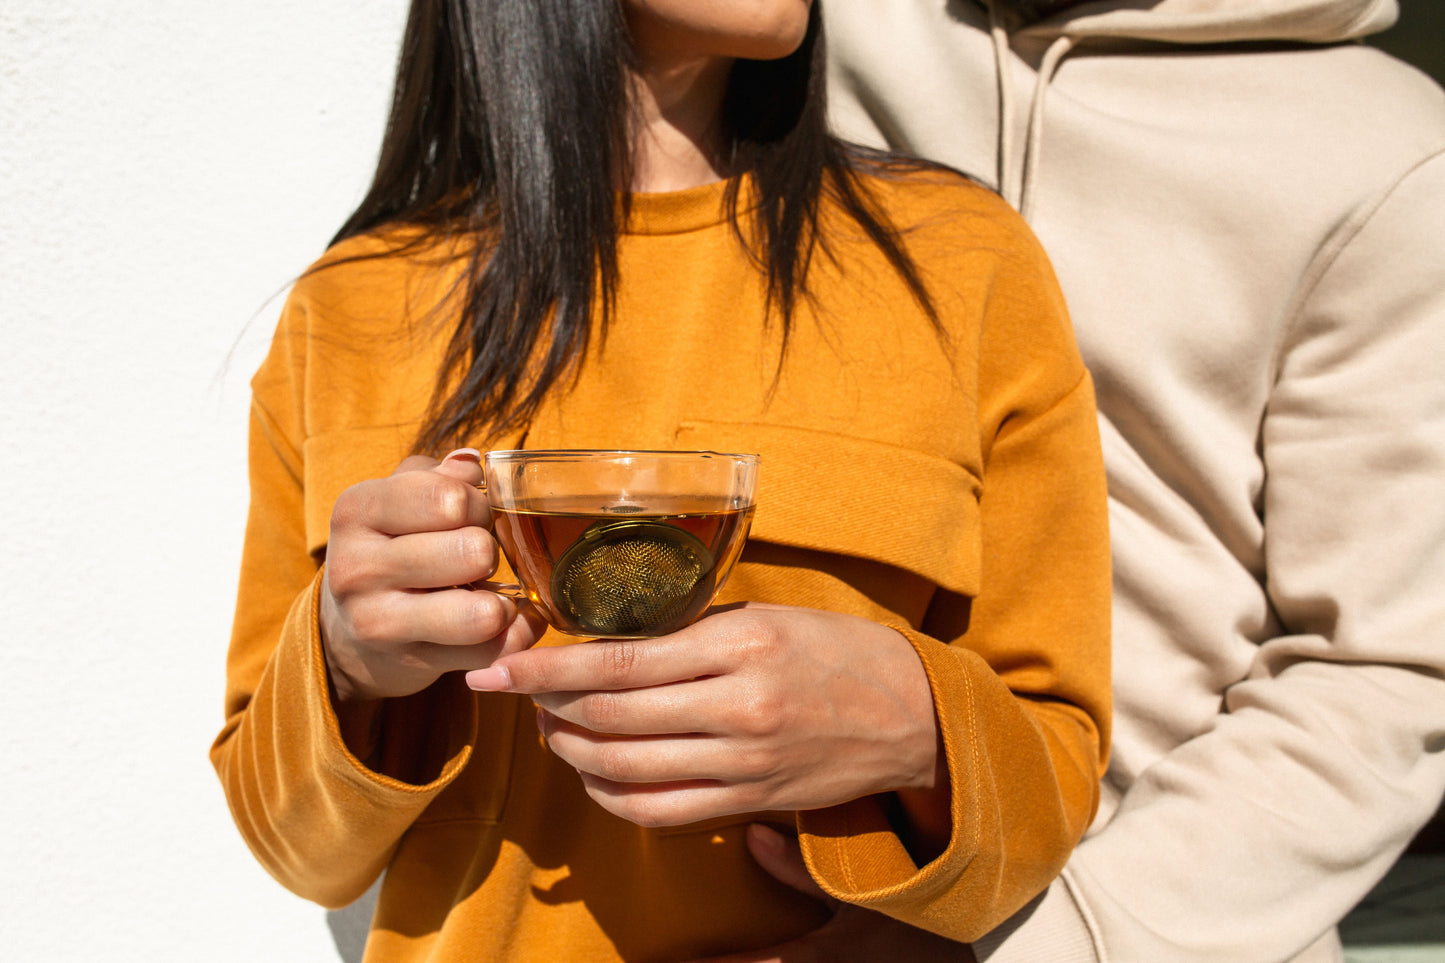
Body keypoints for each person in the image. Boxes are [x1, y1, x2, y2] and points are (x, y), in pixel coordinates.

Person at [210, 1, 1114, 959]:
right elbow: (296, 852)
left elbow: (1051, 789)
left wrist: (915, 725)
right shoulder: (348, 309)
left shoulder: (959, 263)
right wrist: (349, 660)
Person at [810, 0, 1445, 960]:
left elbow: (1387, 669)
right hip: (749, 883)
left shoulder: (1394, 153)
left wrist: (1062, 941)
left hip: (1152, 923)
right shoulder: (785, 31)